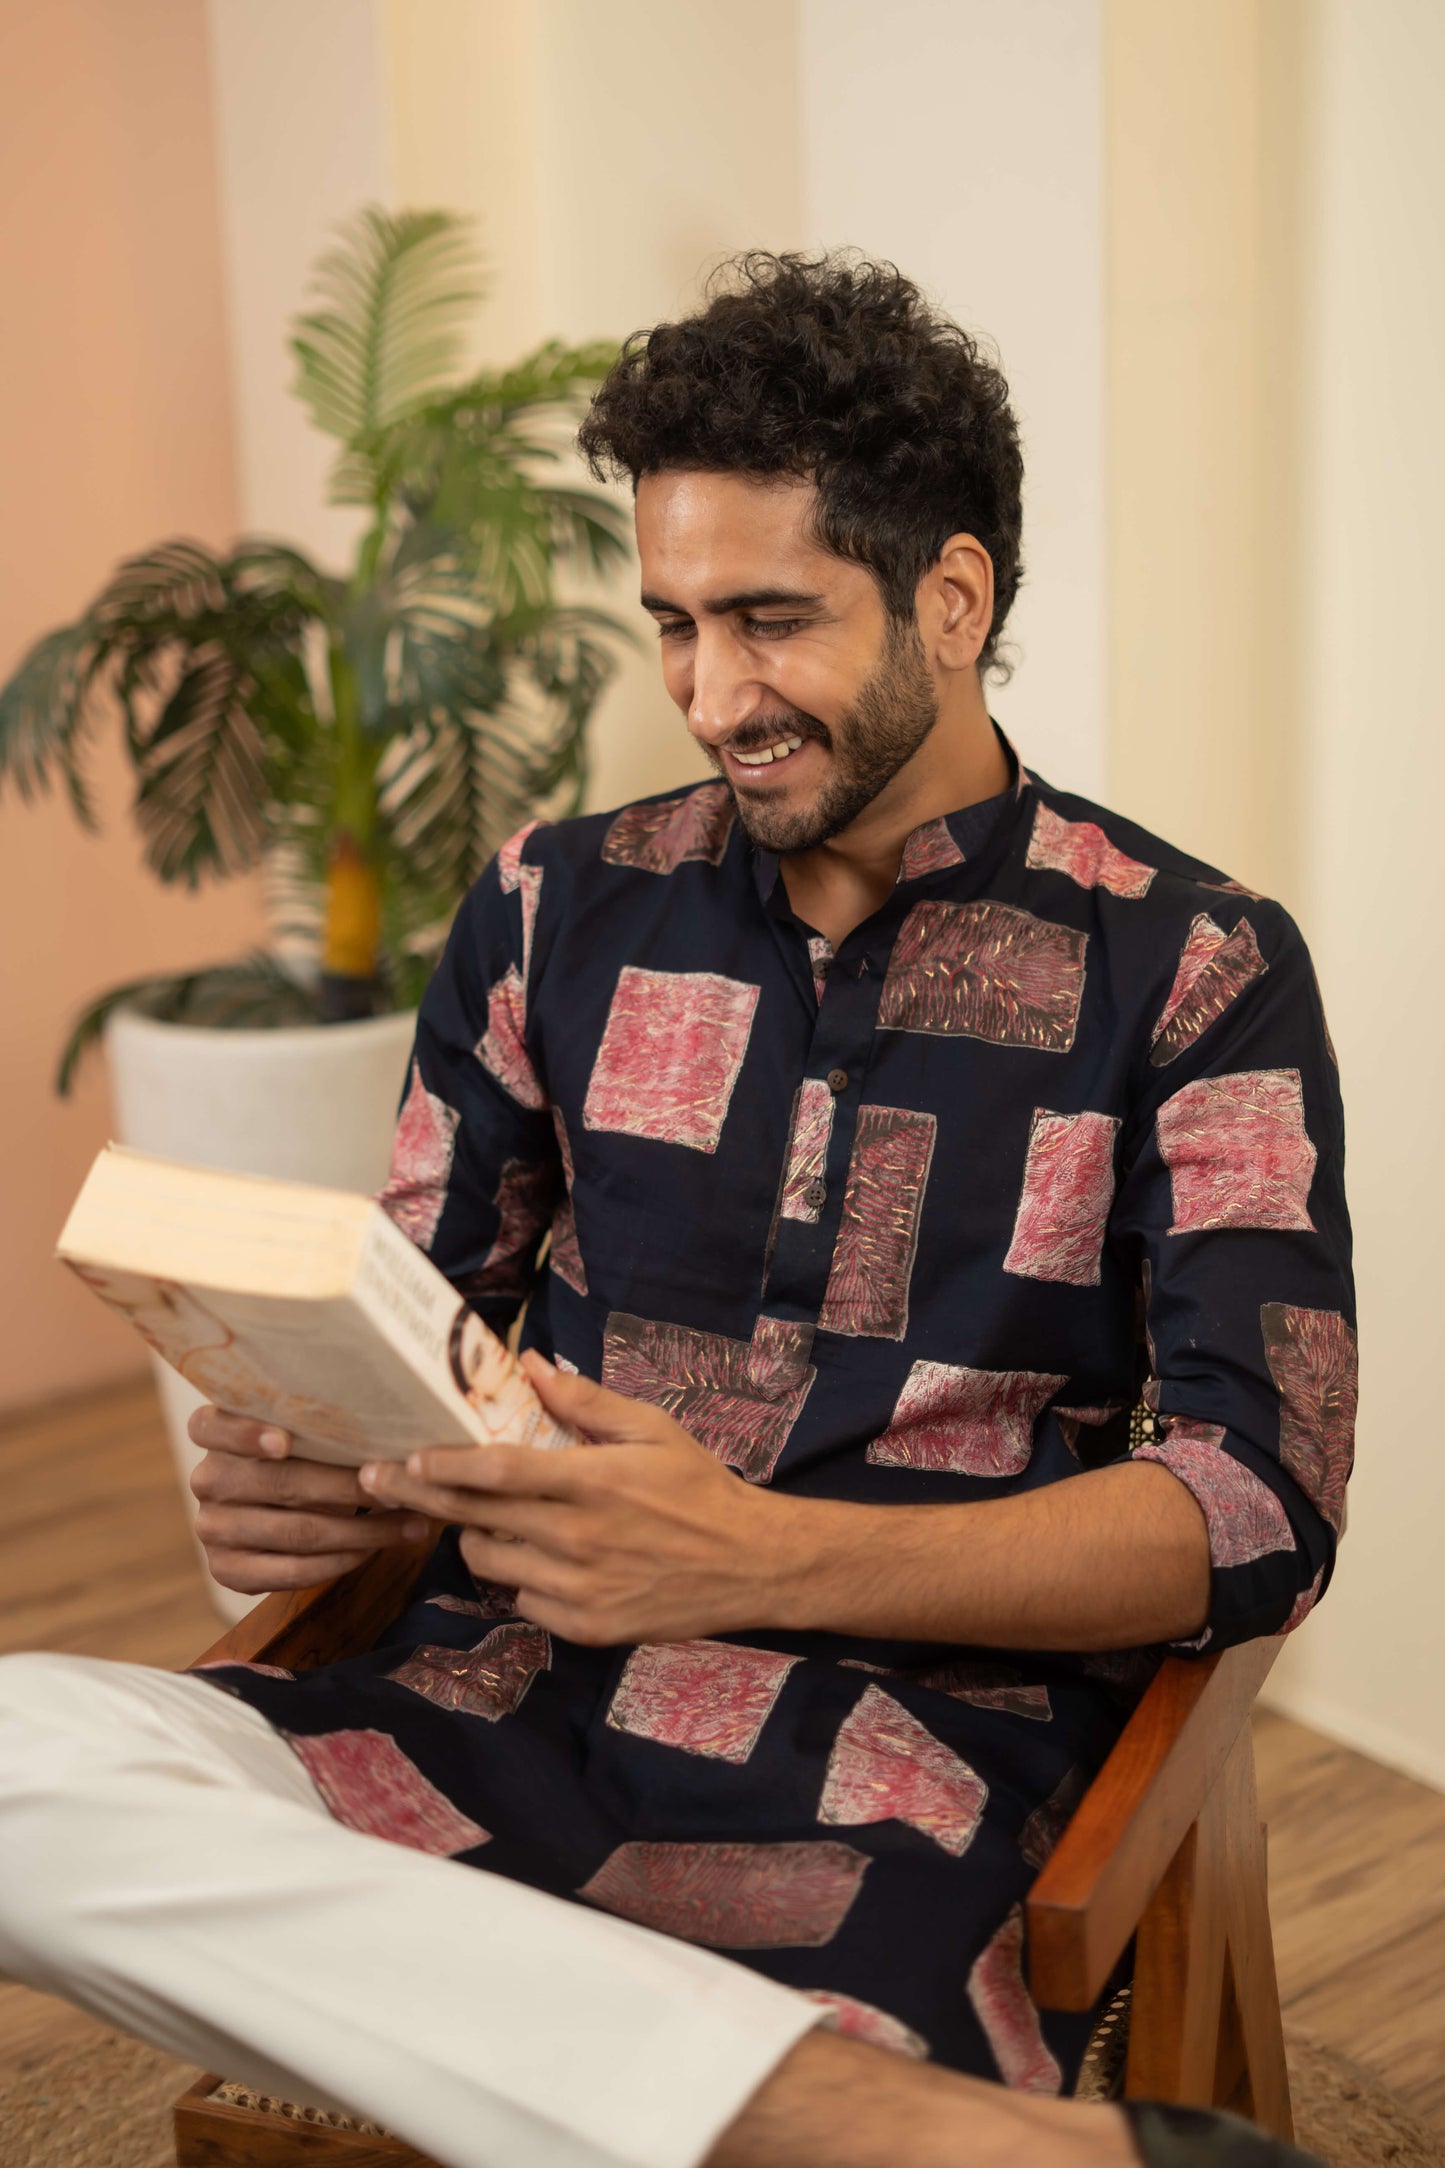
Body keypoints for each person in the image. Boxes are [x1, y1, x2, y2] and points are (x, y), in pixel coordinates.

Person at [0, 255, 1349, 2168]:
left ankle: (624, 2065)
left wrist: (755, 1558)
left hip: (893, 1769)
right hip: (483, 1697)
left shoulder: (1191, 967)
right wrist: (314, 1468)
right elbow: (419, 1326)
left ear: (950, 599)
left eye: (771, 620)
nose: (712, 693)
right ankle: (888, 2130)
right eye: (673, 624)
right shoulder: (555, 907)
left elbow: (1254, 1506)